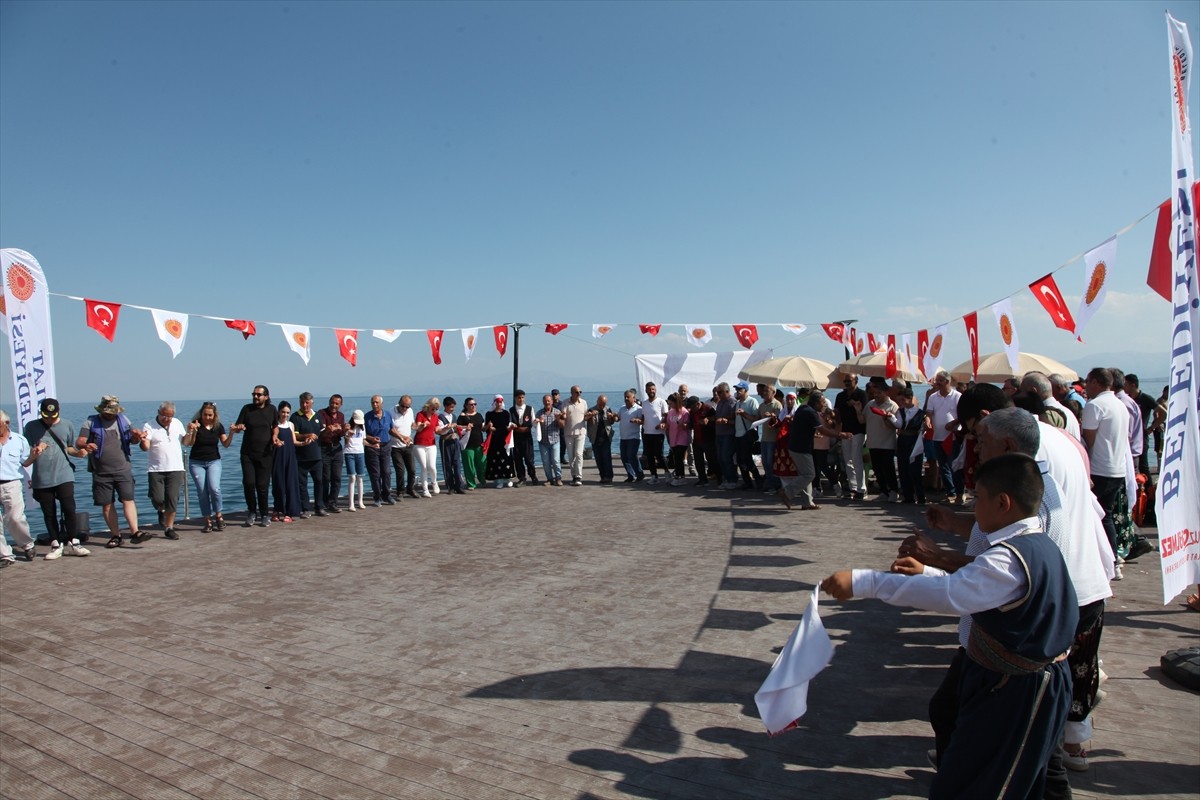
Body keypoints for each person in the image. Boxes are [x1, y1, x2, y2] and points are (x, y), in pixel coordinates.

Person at [823, 452, 1078, 800]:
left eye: (978, 499)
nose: (973, 508)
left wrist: (864, 582)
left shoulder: (1008, 559)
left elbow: (951, 596)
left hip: (1020, 690)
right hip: (1005, 682)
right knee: (975, 774)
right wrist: (927, 572)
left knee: (988, 785)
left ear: (1003, 503)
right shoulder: (1033, 545)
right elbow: (975, 587)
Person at [77, 395, 146, 547]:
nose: (110, 414)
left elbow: (132, 441)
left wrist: (136, 437)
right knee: (107, 504)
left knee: (128, 499)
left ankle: (135, 532)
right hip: (101, 471)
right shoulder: (90, 422)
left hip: (123, 468)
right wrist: (87, 445)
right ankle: (116, 535)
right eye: (107, 411)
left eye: (113, 412)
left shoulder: (123, 420)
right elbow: (80, 441)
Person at [1081, 368, 1130, 577]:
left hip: (1100, 467)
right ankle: (1113, 560)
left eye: (1088, 382)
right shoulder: (1120, 405)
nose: (1085, 386)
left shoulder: (1095, 405)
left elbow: (1088, 438)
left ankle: (1108, 560)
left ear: (1096, 382)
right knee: (1106, 515)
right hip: (1117, 467)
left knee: (1097, 515)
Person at [22, 399, 86, 559]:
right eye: (46, 416)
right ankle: (56, 544)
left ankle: (74, 541)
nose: (49, 419)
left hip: (64, 474)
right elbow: (26, 455)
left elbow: (70, 447)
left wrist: (78, 453)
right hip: (42, 477)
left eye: (52, 416)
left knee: (69, 508)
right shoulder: (31, 427)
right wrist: (35, 453)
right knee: (49, 512)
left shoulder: (67, 425)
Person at [784, 390, 846, 510]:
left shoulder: (803, 409)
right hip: (800, 448)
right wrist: (840, 435)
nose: (824, 405)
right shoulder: (811, 412)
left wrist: (812, 434)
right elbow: (822, 430)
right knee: (810, 474)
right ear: (816, 403)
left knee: (805, 474)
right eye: (823, 402)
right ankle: (787, 492)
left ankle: (807, 502)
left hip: (797, 446)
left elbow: (803, 427)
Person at [139, 401, 187, 539]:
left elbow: (186, 441)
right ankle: (161, 510)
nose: (166, 419)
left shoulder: (177, 423)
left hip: (176, 467)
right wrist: (142, 440)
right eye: (163, 416)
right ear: (158, 413)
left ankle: (169, 527)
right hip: (156, 469)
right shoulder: (149, 425)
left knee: (172, 498)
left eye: (169, 416)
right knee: (157, 498)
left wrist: (192, 432)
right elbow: (145, 447)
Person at [231, 385, 277, 527]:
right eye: (254, 394)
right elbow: (239, 426)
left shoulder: (272, 409)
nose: (256, 397)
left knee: (262, 486)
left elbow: (275, 426)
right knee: (249, 483)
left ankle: (264, 514)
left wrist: (275, 436)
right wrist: (238, 428)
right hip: (248, 453)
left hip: (265, 454)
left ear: (266, 396)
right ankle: (252, 512)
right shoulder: (247, 409)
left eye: (259, 395)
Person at [183, 401, 233, 532]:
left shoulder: (218, 426)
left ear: (214, 415)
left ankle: (219, 515)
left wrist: (232, 433)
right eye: (205, 414)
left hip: (214, 461)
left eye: (210, 415)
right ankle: (207, 520)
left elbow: (226, 444)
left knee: (214, 488)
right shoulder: (196, 424)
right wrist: (192, 431)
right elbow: (189, 443)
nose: (207, 417)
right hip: (196, 462)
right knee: (202, 491)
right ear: (201, 414)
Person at [0, 410, 38, 565]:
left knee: (15, 518)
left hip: (11, 483)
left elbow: (25, 462)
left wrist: (34, 456)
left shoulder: (19, 440)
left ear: (6, 423)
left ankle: (27, 544)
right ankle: (5, 555)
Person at [924, 369, 963, 504]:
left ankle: (960, 492)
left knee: (954, 465)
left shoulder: (957, 396)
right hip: (937, 436)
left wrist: (953, 423)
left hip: (952, 436)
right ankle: (950, 492)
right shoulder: (933, 397)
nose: (937, 383)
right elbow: (929, 412)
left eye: (940, 381)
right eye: (937, 380)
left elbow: (962, 415)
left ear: (947, 381)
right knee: (943, 466)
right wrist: (928, 421)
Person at [887, 387, 926, 504]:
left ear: (910, 399)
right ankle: (908, 496)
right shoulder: (901, 411)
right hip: (903, 440)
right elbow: (899, 424)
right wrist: (891, 418)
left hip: (915, 441)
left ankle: (920, 496)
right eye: (900, 400)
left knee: (915, 469)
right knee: (903, 468)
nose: (901, 403)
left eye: (903, 400)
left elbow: (922, 428)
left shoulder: (920, 413)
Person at [291, 392, 327, 517]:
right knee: (302, 484)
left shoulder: (317, 415)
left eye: (307, 402)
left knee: (319, 481)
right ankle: (305, 508)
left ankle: (319, 507)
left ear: (312, 403)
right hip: (301, 457)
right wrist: (307, 435)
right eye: (302, 402)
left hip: (317, 456)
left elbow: (322, 434)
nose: (304, 405)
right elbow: (294, 435)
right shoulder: (295, 417)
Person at [864, 379, 899, 502]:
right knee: (877, 468)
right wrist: (858, 409)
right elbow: (863, 420)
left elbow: (896, 426)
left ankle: (894, 490)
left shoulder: (893, 405)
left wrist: (886, 417)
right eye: (874, 393)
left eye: (879, 393)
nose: (876, 395)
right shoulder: (870, 404)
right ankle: (884, 491)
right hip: (873, 441)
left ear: (886, 392)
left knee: (888, 468)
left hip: (887, 442)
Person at [834, 374, 869, 500]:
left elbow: (864, 413)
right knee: (847, 460)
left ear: (856, 381)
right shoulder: (840, 396)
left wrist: (855, 406)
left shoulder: (862, 394)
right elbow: (837, 414)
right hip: (845, 430)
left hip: (858, 431)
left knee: (856, 459)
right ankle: (852, 487)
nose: (847, 383)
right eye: (845, 381)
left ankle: (862, 488)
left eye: (849, 381)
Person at [270, 401, 302, 523]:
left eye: (287, 412)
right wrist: (277, 442)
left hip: (290, 457)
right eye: (283, 412)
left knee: (290, 484)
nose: (285, 415)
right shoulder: (274, 425)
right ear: (279, 412)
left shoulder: (291, 425)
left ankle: (289, 512)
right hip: (277, 457)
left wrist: (303, 443)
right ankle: (277, 509)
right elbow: (273, 439)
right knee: (278, 485)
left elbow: (294, 441)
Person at [363, 395, 395, 507]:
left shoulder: (388, 415)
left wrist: (402, 437)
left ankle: (387, 495)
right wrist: (371, 439)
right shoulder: (367, 417)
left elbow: (391, 429)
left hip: (386, 446)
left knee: (386, 472)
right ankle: (377, 496)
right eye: (373, 402)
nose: (374, 404)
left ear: (381, 403)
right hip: (372, 448)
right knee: (375, 474)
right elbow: (362, 434)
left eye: (376, 402)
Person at [317, 394, 346, 513]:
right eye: (332, 403)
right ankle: (323, 502)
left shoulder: (341, 415)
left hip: (337, 448)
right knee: (325, 477)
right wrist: (328, 430)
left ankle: (333, 502)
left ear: (340, 405)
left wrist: (343, 430)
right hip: (324, 448)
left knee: (337, 477)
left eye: (336, 404)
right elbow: (320, 433)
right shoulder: (321, 413)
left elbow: (341, 434)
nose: (334, 405)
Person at [731, 381, 761, 490]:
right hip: (738, 434)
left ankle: (757, 479)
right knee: (740, 460)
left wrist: (744, 414)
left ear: (746, 390)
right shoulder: (738, 403)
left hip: (747, 434)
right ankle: (747, 481)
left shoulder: (752, 401)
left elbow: (757, 418)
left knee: (747, 459)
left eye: (740, 389)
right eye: (737, 389)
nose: (738, 391)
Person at [639, 382, 669, 484]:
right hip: (647, 432)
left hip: (658, 433)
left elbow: (666, 416)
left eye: (652, 389)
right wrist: (638, 421)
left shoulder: (661, 402)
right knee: (649, 455)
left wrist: (662, 424)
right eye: (649, 389)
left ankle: (667, 472)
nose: (651, 391)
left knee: (659, 455)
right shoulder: (644, 403)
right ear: (646, 390)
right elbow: (643, 417)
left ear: (655, 390)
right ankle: (654, 476)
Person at [484, 394, 516, 488]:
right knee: (495, 460)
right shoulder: (489, 414)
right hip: (494, 440)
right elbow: (486, 428)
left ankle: (508, 478)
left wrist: (508, 428)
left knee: (507, 458)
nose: (499, 403)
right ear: (494, 403)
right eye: (497, 402)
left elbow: (507, 426)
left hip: (504, 440)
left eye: (500, 402)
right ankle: (499, 480)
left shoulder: (506, 413)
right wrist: (490, 427)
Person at [509, 390, 539, 486]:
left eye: (522, 397)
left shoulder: (530, 409)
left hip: (527, 438)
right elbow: (510, 423)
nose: (521, 399)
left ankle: (533, 476)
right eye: (519, 397)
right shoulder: (511, 410)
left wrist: (537, 421)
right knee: (517, 459)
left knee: (529, 459)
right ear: (515, 398)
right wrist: (513, 426)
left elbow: (533, 422)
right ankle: (522, 478)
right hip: (516, 438)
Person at [561, 385, 589, 486]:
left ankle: (578, 476)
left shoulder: (584, 403)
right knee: (571, 456)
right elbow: (563, 414)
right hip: (568, 433)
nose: (579, 394)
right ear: (572, 393)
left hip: (581, 432)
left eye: (580, 392)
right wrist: (563, 416)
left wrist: (589, 416)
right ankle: (573, 475)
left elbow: (586, 416)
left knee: (579, 454)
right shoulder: (565, 403)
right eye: (577, 392)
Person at [756, 385, 783, 493]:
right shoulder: (762, 405)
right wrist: (743, 414)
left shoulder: (777, 405)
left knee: (771, 462)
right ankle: (770, 483)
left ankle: (776, 485)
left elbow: (780, 422)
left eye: (767, 391)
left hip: (773, 438)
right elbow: (756, 418)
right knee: (765, 463)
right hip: (764, 438)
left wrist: (773, 416)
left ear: (773, 393)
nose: (764, 393)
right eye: (764, 391)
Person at [390, 395, 417, 499]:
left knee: (412, 469)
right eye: (403, 406)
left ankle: (410, 488)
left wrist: (419, 427)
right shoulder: (391, 412)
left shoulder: (410, 411)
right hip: (395, 446)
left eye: (407, 407)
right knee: (400, 470)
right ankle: (400, 491)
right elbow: (391, 429)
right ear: (399, 403)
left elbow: (412, 425)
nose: (405, 409)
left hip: (408, 445)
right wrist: (402, 437)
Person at [413, 397, 441, 497]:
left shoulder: (435, 417)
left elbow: (437, 430)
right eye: (433, 408)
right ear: (428, 406)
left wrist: (446, 428)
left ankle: (434, 482)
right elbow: (418, 428)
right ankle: (425, 489)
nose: (434, 411)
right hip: (419, 444)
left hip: (431, 444)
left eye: (436, 409)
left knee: (432, 466)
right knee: (424, 466)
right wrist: (423, 425)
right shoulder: (420, 414)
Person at [438, 397, 466, 495]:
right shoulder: (440, 417)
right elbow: (440, 431)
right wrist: (448, 427)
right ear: (446, 406)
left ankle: (459, 486)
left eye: (453, 407)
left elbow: (458, 428)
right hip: (446, 442)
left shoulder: (454, 416)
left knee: (457, 463)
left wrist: (466, 429)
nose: (452, 409)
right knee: (447, 465)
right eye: (451, 407)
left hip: (455, 442)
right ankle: (450, 486)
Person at [614, 389, 644, 483]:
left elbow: (642, 421)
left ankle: (639, 474)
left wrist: (637, 420)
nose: (626, 398)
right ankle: (631, 475)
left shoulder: (639, 409)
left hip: (634, 437)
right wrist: (614, 417)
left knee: (631, 455)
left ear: (634, 398)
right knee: (624, 457)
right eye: (625, 397)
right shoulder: (622, 408)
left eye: (628, 397)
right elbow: (618, 418)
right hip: (623, 437)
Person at [713, 383, 739, 489]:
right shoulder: (720, 402)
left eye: (720, 392)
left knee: (726, 457)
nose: (717, 394)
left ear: (727, 391)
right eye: (717, 392)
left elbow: (734, 416)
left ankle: (732, 480)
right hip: (719, 434)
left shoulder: (732, 401)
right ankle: (727, 479)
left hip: (728, 434)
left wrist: (724, 420)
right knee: (720, 458)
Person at [586, 394, 617, 484]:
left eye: (604, 404)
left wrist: (612, 417)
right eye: (600, 404)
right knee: (598, 458)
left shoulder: (608, 409)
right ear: (597, 402)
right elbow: (587, 421)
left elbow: (612, 422)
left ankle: (609, 476)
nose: (602, 406)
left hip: (606, 437)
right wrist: (591, 415)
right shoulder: (591, 410)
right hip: (595, 437)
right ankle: (602, 476)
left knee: (607, 458)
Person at [535, 394, 564, 486]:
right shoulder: (539, 413)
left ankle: (558, 478)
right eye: (545, 401)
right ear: (543, 402)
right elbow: (535, 426)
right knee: (546, 462)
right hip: (543, 442)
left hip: (555, 440)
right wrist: (539, 422)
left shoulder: (557, 412)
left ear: (552, 401)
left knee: (555, 460)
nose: (547, 402)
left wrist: (558, 419)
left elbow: (562, 425)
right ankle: (549, 479)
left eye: (548, 401)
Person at [457, 398, 485, 490]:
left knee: (481, 463)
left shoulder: (479, 415)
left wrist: (489, 426)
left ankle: (483, 481)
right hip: (467, 445)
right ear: (466, 406)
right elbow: (458, 428)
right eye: (471, 404)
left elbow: (483, 427)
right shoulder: (462, 416)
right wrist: (466, 427)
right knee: (469, 465)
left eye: (475, 404)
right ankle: (471, 484)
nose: (473, 406)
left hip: (479, 443)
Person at [687, 395, 714, 486]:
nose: (691, 409)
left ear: (698, 404)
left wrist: (708, 420)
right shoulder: (692, 412)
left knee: (712, 459)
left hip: (708, 439)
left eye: (692, 407)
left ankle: (719, 477)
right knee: (698, 460)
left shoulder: (708, 409)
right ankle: (702, 479)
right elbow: (691, 423)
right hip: (697, 439)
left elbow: (715, 420)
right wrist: (687, 425)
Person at [665, 393, 691, 486]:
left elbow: (688, 425)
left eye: (671, 403)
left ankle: (679, 477)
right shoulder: (671, 412)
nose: (669, 405)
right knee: (676, 458)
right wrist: (664, 426)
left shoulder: (684, 412)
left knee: (679, 457)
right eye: (669, 403)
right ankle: (681, 476)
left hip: (682, 438)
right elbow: (668, 424)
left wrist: (683, 425)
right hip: (673, 438)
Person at [343, 409, 367, 511]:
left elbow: (363, 440)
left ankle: (360, 501)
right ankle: (351, 503)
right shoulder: (348, 427)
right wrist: (348, 435)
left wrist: (373, 444)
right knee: (352, 477)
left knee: (360, 478)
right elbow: (347, 442)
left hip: (360, 452)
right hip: (350, 453)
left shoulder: (362, 427)